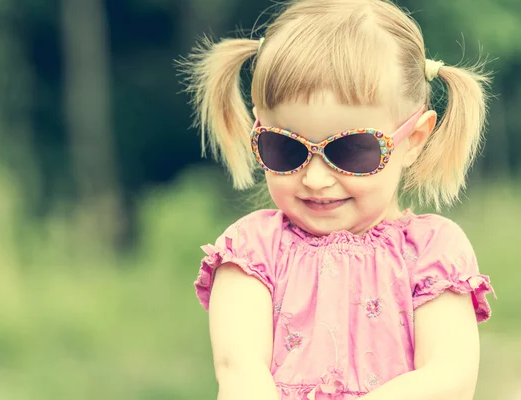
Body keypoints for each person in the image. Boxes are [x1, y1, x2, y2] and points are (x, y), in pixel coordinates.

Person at [181, 0, 496, 398]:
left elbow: (448, 377)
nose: (314, 178)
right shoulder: (252, 251)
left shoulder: (432, 252)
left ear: (413, 139)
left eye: (351, 151)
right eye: (285, 148)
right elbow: (241, 372)